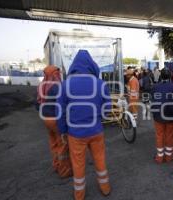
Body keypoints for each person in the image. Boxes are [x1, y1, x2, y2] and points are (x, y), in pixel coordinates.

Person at [57, 50, 111, 200]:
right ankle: (105, 188)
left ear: (74, 65)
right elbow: (107, 107)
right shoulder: (100, 84)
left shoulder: (65, 85)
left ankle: (79, 195)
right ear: (91, 65)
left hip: (75, 134)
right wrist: (100, 118)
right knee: (100, 159)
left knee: (78, 164)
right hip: (96, 130)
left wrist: (62, 131)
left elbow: (60, 111)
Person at [36, 65, 72, 178]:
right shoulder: (57, 86)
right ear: (54, 74)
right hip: (55, 119)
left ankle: (56, 165)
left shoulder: (41, 85)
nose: (59, 74)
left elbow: (37, 104)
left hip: (45, 118)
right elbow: (63, 105)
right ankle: (64, 171)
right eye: (57, 73)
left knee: (53, 143)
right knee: (62, 144)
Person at [150, 68, 173, 163]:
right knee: (170, 136)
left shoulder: (155, 86)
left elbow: (152, 98)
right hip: (171, 116)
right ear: (170, 76)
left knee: (159, 135)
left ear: (160, 76)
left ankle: (159, 156)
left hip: (158, 115)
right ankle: (168, 156)